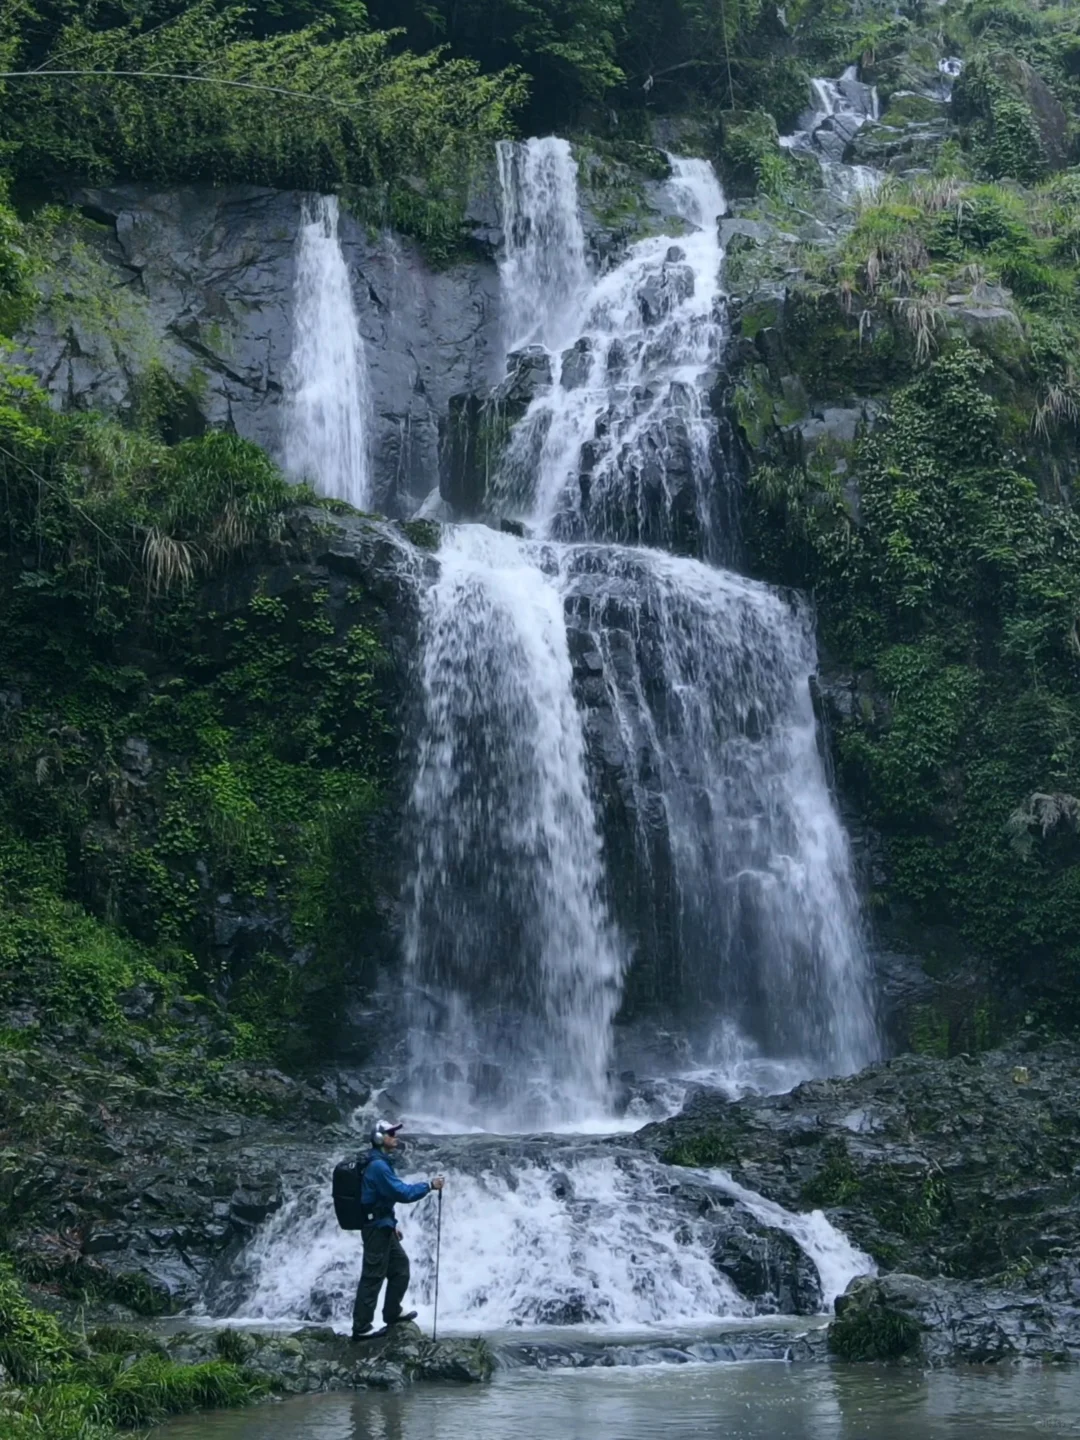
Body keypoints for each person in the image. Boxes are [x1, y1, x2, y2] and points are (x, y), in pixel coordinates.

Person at [351, 1119, 444, 1340]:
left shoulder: (381, 1163)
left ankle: (392, 1312)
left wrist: (392, 1225)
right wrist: (429, 1186)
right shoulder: (378, 1167)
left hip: (383, 1226)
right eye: (391, 1133)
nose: (396, 1137)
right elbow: (401, 1193)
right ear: (379, 1138)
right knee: (373, 1276)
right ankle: (361, 1327)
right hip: (375, 1229)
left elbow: (382, 1198)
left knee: (400, 1268)